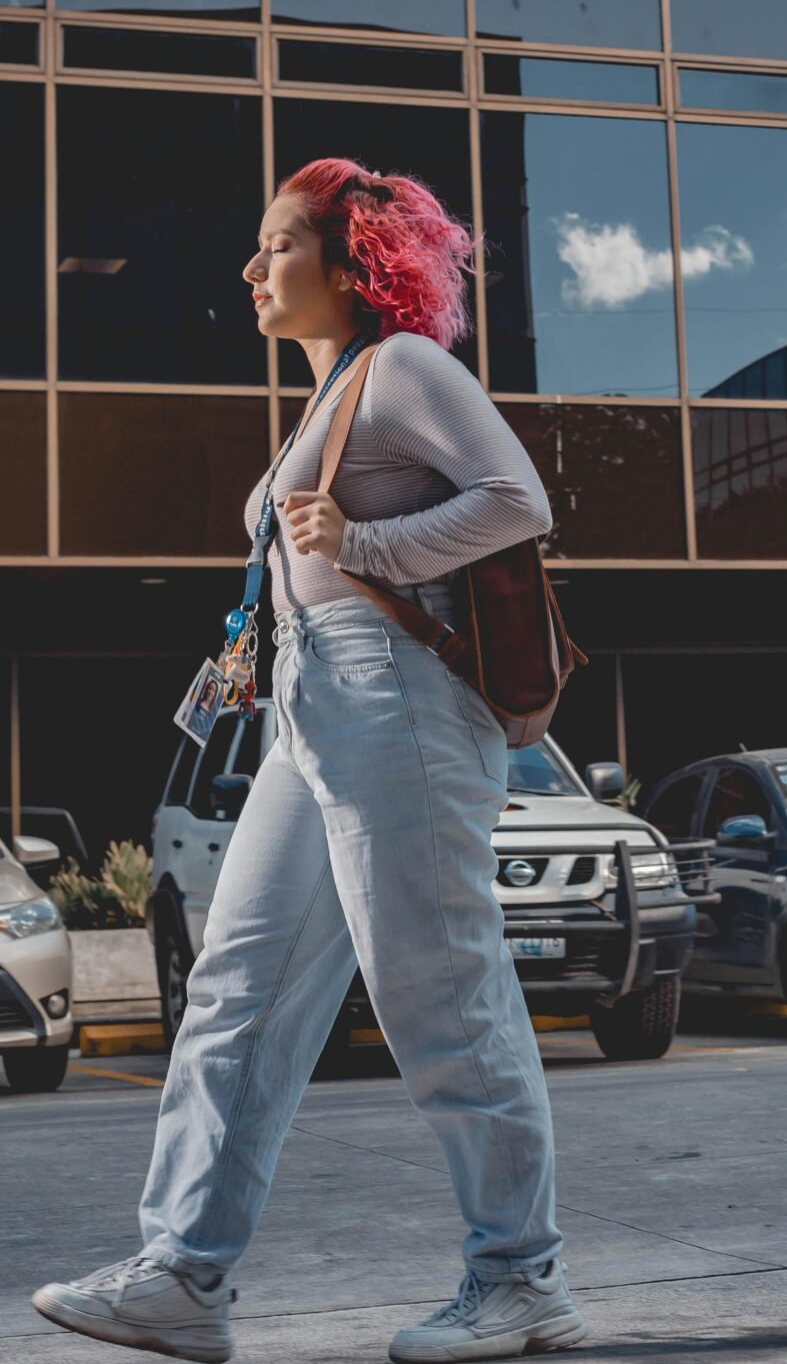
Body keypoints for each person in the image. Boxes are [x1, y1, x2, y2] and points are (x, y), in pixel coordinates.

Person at [33, 158, 587, 1363]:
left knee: (438, 988)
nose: (252, 267)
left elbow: (519, 498)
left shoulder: (405, 368)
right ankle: (183, 1273)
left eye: (278, 246)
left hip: (398, 699)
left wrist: (367, 537)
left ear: (354, 266)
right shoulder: (332, 390)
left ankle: (521, 1272)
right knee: (235, 985)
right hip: (312, 706)